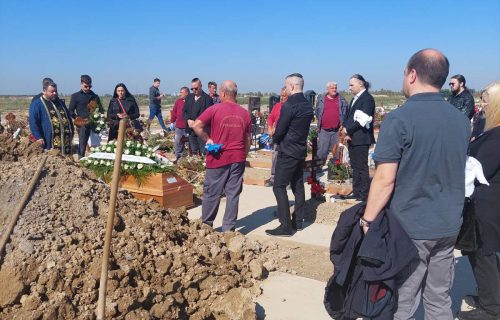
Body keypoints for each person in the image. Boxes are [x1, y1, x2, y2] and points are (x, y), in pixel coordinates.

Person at [360, 49, 470, 319]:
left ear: (411, 74)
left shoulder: (400, 119)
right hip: (448, 225)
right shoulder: (460, 121)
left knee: (403, 302)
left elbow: (385, 179)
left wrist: (368, 220)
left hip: (411, 228)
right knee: (439, 299)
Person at [457, 81, 500, 320]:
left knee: (482, 253)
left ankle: (491, 309)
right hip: (488, 202)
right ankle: (491, 296)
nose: (481, 103)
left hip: (487, 204)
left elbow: (480, 169)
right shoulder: (489, 130)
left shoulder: (496, 137)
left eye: (485, 100)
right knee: (484, 253)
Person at [192, 80, 251, 232]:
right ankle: (229, 229)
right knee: (233, 194)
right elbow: (248, 139)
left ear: (223, 93)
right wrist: (243, 156)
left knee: (212, 192)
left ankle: (206, 225)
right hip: (237, 158)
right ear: (235, 94)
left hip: (218, 157)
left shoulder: (214, 109)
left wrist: (208, 139)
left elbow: (196, 125)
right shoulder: (245, 113)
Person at [265, 73, 313, 237]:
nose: (284, 89)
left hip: (287, 150)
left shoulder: (289, 105)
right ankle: (298, 221)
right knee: (297, 185)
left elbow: (280, 130)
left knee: (279, 186)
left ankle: (285, 225)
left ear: (292, 86)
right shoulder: (307, 104)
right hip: (300, 150)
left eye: (286, 86)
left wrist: (275, 138)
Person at [343, 74, 376, 201]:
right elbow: (350, 117)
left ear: (361, 83)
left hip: (361, 138)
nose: (349, 88)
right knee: (355, 166)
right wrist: (345, 129)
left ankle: (364, 194)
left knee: (361, 167)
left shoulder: (367, 99)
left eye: (352, 85)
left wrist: (347, 130)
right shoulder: (355, 99)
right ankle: (356, 191)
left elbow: (362, 120)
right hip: (352, 137)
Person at [29, 80, 74, 155]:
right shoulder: (37, 104)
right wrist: (38, 137)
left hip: (65, 142)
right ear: (44, 91)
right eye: (52, 91)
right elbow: (33, 122)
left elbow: (68, 118)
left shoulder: (60, 102)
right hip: (48, 140)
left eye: (56, 91)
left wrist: (71, 131)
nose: (55, 93)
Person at [68, 75, 103, 158]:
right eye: (86, 86)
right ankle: (81, 160)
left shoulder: (95, 96)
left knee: (96, 145)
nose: (88, 88)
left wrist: (99, 117)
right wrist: (77, 118)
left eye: (90, 86)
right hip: (82, 123)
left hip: (94, 124)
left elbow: (101, 110)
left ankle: (96, 161)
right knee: (82, 144)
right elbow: (70, 111)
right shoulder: (75, 96)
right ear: (81, 84)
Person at [316, 81, 348, 163]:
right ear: (327, 89)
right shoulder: (321, 99)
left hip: (337, 131)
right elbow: (317, 112)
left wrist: (343, 125)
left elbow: (346, 113)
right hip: (324, 130)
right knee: (322, 151)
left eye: (335, 88)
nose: (334, 89)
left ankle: (335, 170)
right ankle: (319, 168)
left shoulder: (342, 100)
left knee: (336, 151)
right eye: (332, 88)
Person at [183, 78, 214, 155]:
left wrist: (197, 122)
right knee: (194, 151)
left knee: (203, 151)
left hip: (202, 130)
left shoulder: (207, 99)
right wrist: (188, 120)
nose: (194, 90)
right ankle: (196, 166)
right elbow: (184, 111)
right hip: (191, 129)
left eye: (196, 88)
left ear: (201, 86)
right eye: (192, 88)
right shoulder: (189, 97)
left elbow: (208, 115)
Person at [267, 86, 288, 185]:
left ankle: (286, 180)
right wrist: (270, 128)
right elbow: (270, 118)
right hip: (277, 137)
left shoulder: (290, 107)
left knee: (286, 158)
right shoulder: (277, 106)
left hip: (287, 137)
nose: (281, 98)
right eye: (281, 96)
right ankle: (273, 177)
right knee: (275, 156)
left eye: (284, 96)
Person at [171, 87, 189, 161]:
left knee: (189, 142)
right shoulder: (178, 101)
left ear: (187, 93)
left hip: (188, 126)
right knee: (178, 142)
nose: (180, 94)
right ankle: (178, 156)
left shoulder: (191, 101)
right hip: (179, 126)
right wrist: (172, 121)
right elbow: (174, 112)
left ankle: (190, 156)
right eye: (180, 92)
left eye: (182, 92)